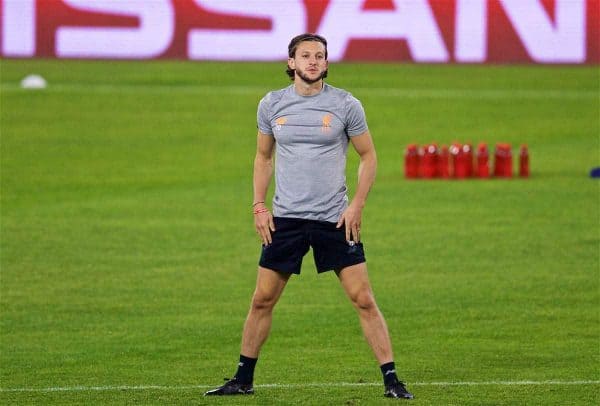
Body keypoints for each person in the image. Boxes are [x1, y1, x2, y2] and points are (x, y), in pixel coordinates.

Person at [204, 33, 413, 400]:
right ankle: (242, 379)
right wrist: (258, 205)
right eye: (305, 56)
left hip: (335, 219)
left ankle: (392, 381)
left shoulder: (346, 105)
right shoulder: (271, 105)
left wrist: (357, 205)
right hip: (285, 219)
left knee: (363, 298)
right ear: (291, 63)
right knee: (261, 300)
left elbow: (369, 156)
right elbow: (263, 158)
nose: (313, 61)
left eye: (319, 56)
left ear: (327, 64)